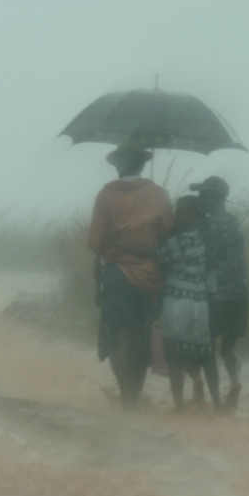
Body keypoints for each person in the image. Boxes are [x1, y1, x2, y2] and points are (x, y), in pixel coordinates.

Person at [88, 144, 174, 409]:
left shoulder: (106, 195)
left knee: (116, 334)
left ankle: (127, 395)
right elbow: (168, 233)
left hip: (116, 274)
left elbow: (95, 241)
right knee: (143, 333)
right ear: (143, 164)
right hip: (151, 275)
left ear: (118, 165)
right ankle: (134, 393)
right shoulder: (159, 194)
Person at [157, 195, 221, 411]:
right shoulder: (207, 242)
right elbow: (212, 275)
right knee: (205, 353)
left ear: (191, 215)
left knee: (175, 356)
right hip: (200, 305)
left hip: (176, 303)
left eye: (180, 211)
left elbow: (159, 261)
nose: (176, 215)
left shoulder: (174, 242)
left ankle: (179, 405)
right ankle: (217, 401)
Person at [191, 176, 249, 411]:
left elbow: (204, 260)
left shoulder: (204, 226)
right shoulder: (234, 223)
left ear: (212, 198)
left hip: (215, 294)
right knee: (228, 348)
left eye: (203, 195)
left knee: (207, 346)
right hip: (239, 292)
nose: (200, 200)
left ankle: (208, 395)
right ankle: (235, 383)